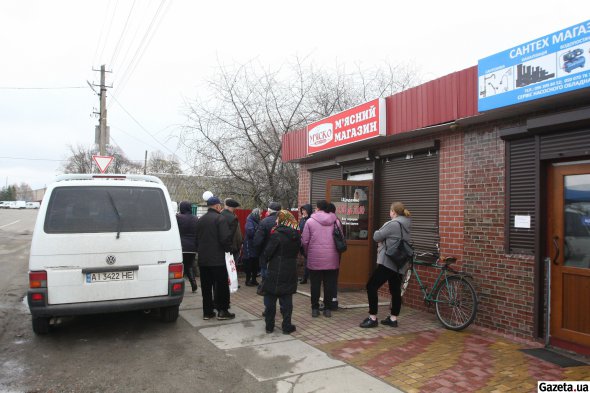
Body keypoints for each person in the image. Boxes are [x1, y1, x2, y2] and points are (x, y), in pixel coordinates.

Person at [359, 202, 412, 328]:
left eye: (390, 211)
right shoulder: (407, 223)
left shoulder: (393, 223)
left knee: (371, 286)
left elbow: (376, 236)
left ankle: (372, 318)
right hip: (400, 263)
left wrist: (382, 235)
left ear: (393, 211)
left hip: (388, 262)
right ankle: (393, 319)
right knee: (395, 290)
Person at [195, 195, 235, 320]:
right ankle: (222, 311)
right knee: (221, 286)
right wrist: (230, 250)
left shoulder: (200, 220)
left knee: (206, 287)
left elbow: (196, 240)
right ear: (217, 206)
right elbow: (225, 239)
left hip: (203, 260)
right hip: (217, 261)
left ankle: (207, 312)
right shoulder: (220, 219)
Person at [261, 210, 300, 334]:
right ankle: (287, 326)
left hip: (275, 270)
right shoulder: (296, 235)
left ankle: (269, 326)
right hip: (290, 270)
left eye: (278, 218)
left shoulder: (276, 234)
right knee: (287, 300)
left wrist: (264, 262)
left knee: (270, 299)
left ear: (282, 220)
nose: (276, 220)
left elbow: (267, 253)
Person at [301, 200, 342, 318]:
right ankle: (327, 309)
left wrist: (308, 253)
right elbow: (341, 238)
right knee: (329, 284)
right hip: (332, 258)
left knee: (315, 284)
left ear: (318, 208)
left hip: (315, 258)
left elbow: (304, 241)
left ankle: (315, 308)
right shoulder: (336, 221)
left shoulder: (310, 221)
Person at [253, 201, 281, 281]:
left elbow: (257, 240)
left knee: (266, 277)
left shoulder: (264, 222)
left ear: (268, 211)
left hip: (266, 254)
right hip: (280, 254)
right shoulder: (286, 221)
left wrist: (258, 252)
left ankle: (266, 289)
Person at [176, 201, 198, 293]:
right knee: (189, 265)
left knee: (180, 267)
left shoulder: (178, 218)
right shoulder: (195, 218)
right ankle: (193, 283)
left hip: (181, 247)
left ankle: (179, 287)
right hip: (193, 248)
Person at [242, 208, 261, 286]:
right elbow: (250, 233)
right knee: (249, 264)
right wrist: (259, 232)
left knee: (255, 264)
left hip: (255, 246)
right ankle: (247, 280)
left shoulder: (257, 221)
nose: (261, 215)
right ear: (256, 214)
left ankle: (254, 279)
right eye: (260, 214)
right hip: (249, 246)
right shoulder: (249, 221)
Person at [298, 204, 313, 284]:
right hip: (302, 242)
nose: (303, 212)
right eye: (302, 210)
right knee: (305, 260)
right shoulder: (302, 219)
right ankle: (305, 276)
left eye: (304, 210)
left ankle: (305, 277)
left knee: (307, 261)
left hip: (309, 243)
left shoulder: (311, 220)